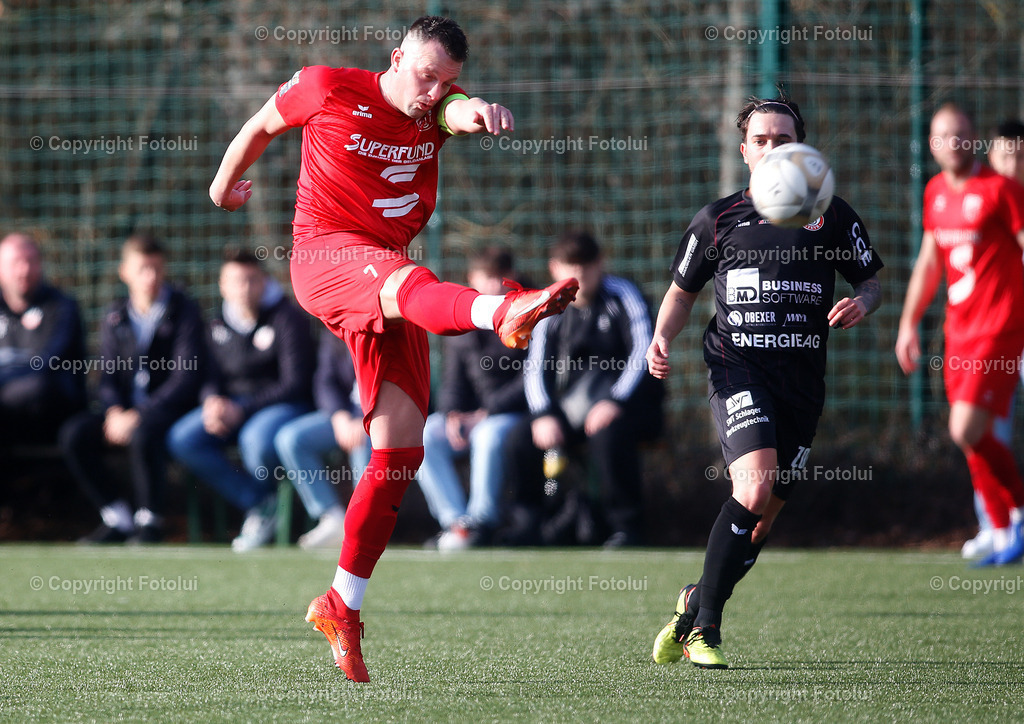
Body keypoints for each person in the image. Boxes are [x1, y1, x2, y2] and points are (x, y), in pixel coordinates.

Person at [208, 15, 577, 682]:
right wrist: (225, 183)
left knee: (400, 451)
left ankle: (341, 603)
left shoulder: (438, 110)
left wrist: (475, 109)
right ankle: (503, 310)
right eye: (428, 75)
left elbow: (458, 114)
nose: (435, 91)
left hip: (386, 269)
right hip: (324, 255)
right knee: (419, 288)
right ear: (397, 56)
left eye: (449, 82)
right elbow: (261, 123)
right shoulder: (329, 87)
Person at [647, 90, 883, 670]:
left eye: (784, 140)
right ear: (745, 151)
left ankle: (693, 602)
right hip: (737, 369)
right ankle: (706, 629)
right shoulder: (717, 219)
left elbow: (872, 281)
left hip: (801, 384)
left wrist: (863, 303)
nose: (773, 148)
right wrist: (660, 338)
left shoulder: (833, 215)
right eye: (761, 140)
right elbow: (682, 293)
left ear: (801, 149)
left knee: (761, 521)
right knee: (752, 489)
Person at [896, 104, 1024, 567]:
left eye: (963, 134)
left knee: (964, 427)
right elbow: (930, 262)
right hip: (959, 332)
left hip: (1001, 327)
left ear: (975, 140)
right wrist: (909, 322)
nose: (954, 142)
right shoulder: (934, 193)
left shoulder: (1002, 190)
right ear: (932, 144)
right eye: (945, 135)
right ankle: (1002, 526)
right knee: (971, 438)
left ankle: (1016, 511)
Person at [502, 230, 663, 548]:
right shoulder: (549, 307)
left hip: (629, 407)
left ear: (600, 264)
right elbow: (535, 368)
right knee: (519, 438)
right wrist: (543, 414)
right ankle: (529, 522)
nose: (578, 273)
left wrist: (615, 401)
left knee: (609, 435)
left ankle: (624, 527)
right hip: (571, 410)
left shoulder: (624, 296)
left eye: (586, 264)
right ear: (554, 268)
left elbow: (643, 352)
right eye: (569, 265)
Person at [167, 249, 315, 552]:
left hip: (282, 406)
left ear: (263, 282)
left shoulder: (288, 319)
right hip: (233, 407)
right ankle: (260, 503)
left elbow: (294, 383)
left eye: (251, 280)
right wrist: (212, 401)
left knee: (255, 441)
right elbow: (209, 376)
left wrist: (242, 408)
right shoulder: (216, 324)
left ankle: (268, 515)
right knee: (183, 438)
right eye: (236, 281)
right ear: (223, 286)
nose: (244, 288)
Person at [60, 235, 205, 543]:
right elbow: (107, 376)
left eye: (156, 268)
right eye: (143, 269)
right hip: (123, 414)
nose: (150, 277)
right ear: (124, 272)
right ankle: (117, 517)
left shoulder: (184, 310)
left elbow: (185, 378)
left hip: (167, 410)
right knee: (74, 434)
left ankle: (150, 521)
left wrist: (140, 413)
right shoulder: (115, 316)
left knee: (143, 434)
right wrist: (113, 411)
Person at [416, 246, 529, 551]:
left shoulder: (529, 313)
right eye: (486, 278)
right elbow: (453, 381)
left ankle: (482, 522)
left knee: (487, 435)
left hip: (516, 414)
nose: (493, 286)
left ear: (512, 277)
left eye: (499, 278)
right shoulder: (465, 318)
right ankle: (456, 523)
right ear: (472, 278)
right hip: (472, 415)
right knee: (427, 433)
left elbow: (532, 380)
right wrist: (452, 413)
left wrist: (486, 412)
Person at [274, 330, 371, 550]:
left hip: (379, 416)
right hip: (342, 417)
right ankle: (331, 517)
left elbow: (391, 381)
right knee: (291, 439)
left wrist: (364, 416)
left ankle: (364, 525)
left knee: (362, 440)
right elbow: (325, 380)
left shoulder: (384, 324)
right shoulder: (336, 327)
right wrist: (339, 415)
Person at [0, 232, 86, 448]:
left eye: (30, 262)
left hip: (50, 408)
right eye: (16, 263)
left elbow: (48, 363)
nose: (24, 270)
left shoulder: (62, 308)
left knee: (38, 387)